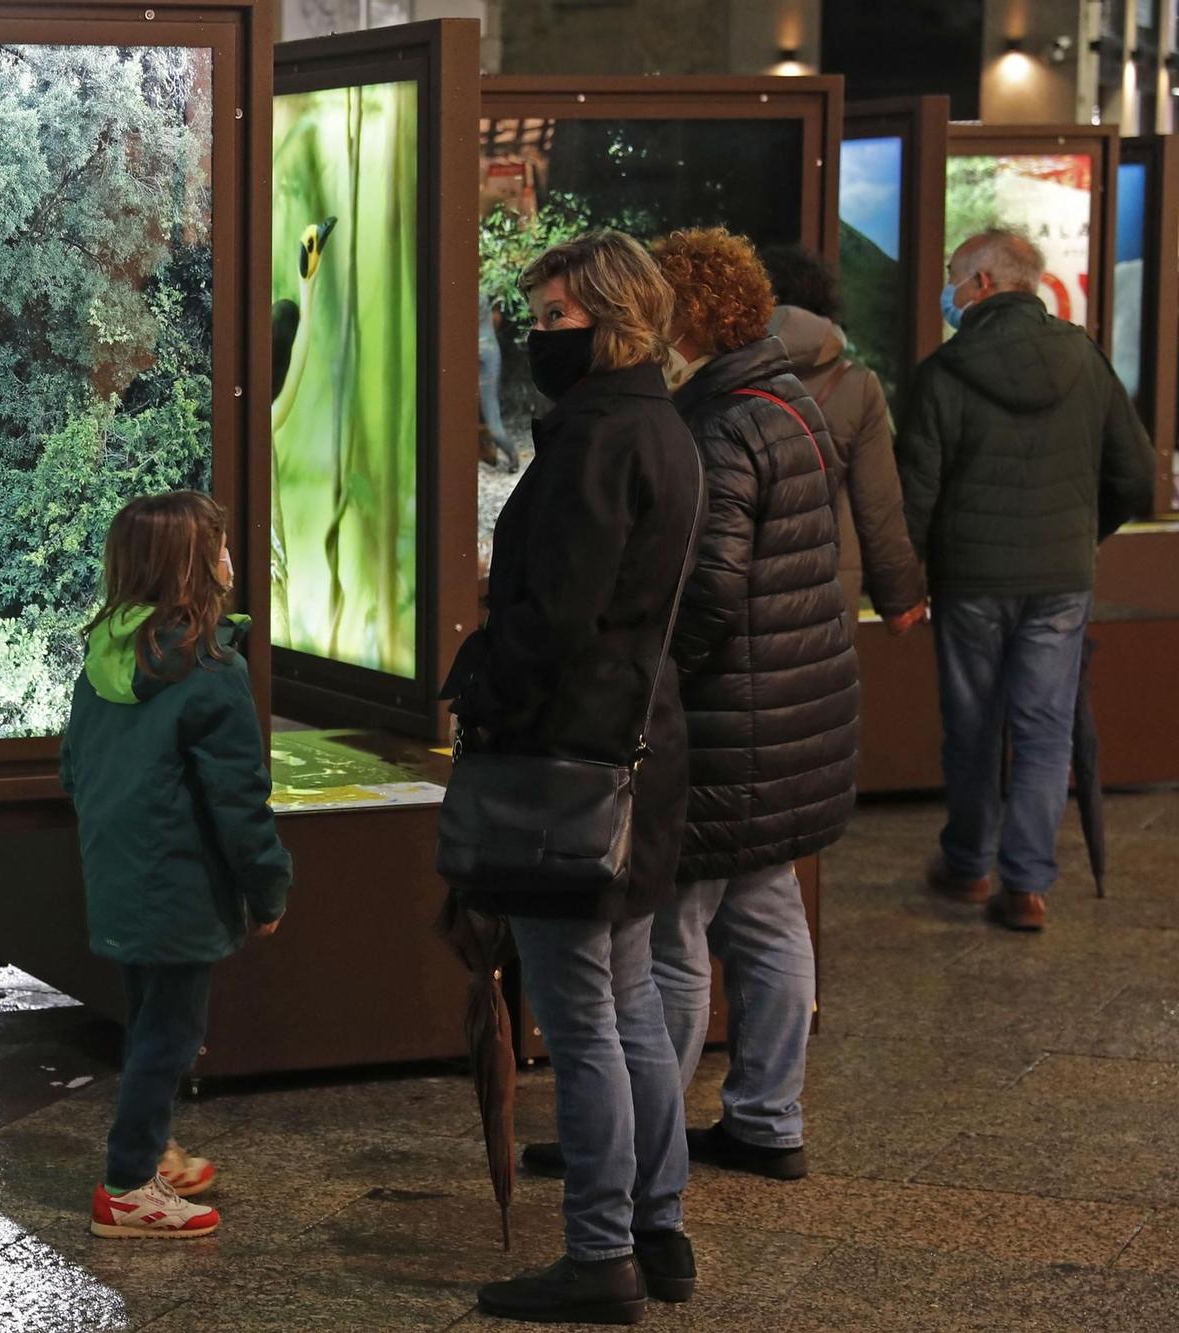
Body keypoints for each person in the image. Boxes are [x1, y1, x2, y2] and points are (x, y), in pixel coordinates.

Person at [444, 230, 702, 1324]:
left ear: (612, 320)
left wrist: (479, 687)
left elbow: (551, 617)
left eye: (552, 319)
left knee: (582, 1018)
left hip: (565, 765)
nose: (534, 336)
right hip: (633, 757)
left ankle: (599, 1252)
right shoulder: (661, 428)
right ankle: (655, 1223)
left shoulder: (597, 441)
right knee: (629, 998)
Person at [643, 227, 859, 1183]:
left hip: (728, 720)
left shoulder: (720, 420)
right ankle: (768, 1118)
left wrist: (653, 679)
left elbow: (710, 589)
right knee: (769, 917)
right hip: (791, 712)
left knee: (672, 932)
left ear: (689, 313)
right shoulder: (790, 399)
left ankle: (642, 1145)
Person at [897, 229, 1154, 930]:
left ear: (982, 284)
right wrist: (1078, 535)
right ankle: (1028, 884)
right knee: (1046, 728)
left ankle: (970, 863)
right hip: (1061, 579)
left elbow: (913, 495)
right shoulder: (1085, 358)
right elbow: (1137, 475)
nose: (948, 290)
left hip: (972, 582)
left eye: (953, 275)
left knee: (973, 724)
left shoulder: (943, 374)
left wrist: (900, 579)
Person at [62, 490, 292, 1240]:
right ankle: (129, 1183)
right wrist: (268, 887)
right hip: (182, 886)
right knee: (171, 1031)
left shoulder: (105, 654)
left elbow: (73, 766)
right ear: (200, 565)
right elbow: (240, 801)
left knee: (150, 1021)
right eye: (220, 545)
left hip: (120, 876)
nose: (231, 559)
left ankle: (153, 1143)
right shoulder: (209, 669)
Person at [758, 244, 929, 633]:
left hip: (739, 577)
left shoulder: (718, 372)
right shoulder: (856, 385)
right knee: (823, 687)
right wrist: (899, 599)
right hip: (829, 579)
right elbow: (879, 506)